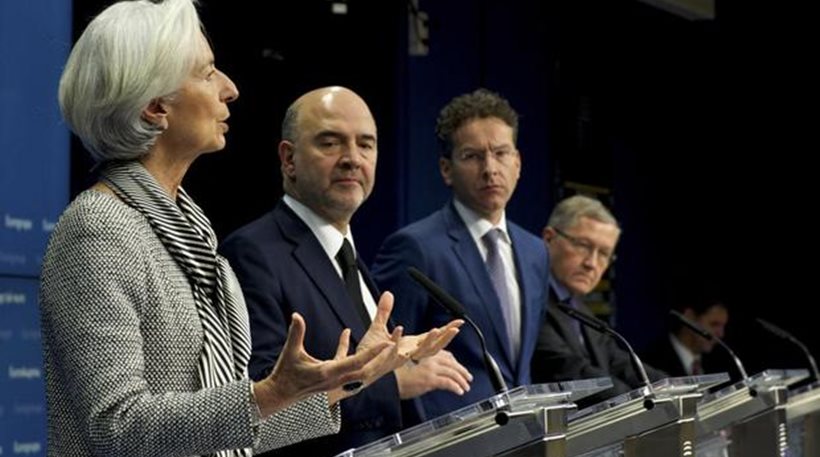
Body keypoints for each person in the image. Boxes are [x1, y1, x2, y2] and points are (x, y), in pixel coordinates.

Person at [39, 2, 401, 456]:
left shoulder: (191, 236)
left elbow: (232, 428)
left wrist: (348, 378)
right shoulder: (99, 229)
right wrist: (265, 395)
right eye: (208, 73)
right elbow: (117, 427)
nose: (230, 89)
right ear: (155, 106)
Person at [219, 86, 472, 455]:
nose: (353, 158)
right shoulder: (252, 253)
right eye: (330, 143)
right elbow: (260, 400)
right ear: (289, 159)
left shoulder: (347, 255)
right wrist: (393, 382)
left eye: (365, 144)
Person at [371, 88, 550, 420]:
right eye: (472, 156)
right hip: (451, 435)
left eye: (500, 153)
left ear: (518, 162)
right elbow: (382, 358)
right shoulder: (414, 248)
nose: (490, 168)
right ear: (446, 169)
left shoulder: (535, 251)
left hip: (522, 430)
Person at [531, 195, 667, 401]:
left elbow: (620, 363)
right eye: (583, 245)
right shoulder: (529, 301)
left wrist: (673, 388)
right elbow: (566, 369)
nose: (592, 263)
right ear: (549, 239)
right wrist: (636, 402)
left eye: (603, 253)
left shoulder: (580, 310)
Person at [642, 296, 730, 377]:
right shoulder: (651, 360)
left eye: (723, 326)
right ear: (689, 317)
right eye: (714, 324)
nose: (721, 334)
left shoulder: (719, 363)